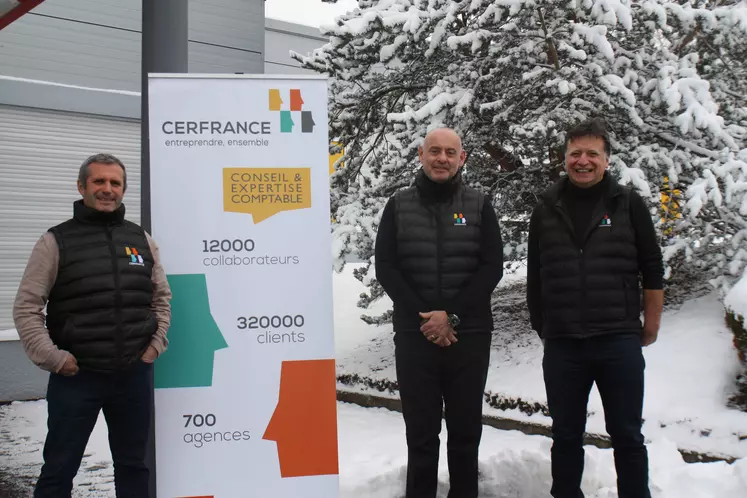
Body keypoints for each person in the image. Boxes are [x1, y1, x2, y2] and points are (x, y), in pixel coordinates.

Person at [13, 153, 172, 498]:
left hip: (133, 375)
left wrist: (154, 345)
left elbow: (161, 298)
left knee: (134, 466)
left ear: (123, 189)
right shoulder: (55, 242)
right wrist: (54, 358)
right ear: (82, 186)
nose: (107, 189)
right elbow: (26, 308)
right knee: (59, 469)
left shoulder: (141, 240)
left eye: (115, 183)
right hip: (77, 377)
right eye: (99, 181)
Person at [527, 119, 664, 498]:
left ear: (606, 160)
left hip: (617, 339)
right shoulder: (545, 209)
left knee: (627, 435)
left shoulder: (628, 204)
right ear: (564, 158)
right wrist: (545, 326)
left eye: (592, 154)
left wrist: (649, 324)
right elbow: (534, 274)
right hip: (563, 344)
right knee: (566, 435)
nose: (582, 161)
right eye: (575, 153)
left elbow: (652, 266)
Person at [374, 128, 503, 498]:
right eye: (434, 151)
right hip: (416, 339)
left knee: (465, 432)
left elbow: (492, 267)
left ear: (461, 158)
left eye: (450, 152)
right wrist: (427, 319)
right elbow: (387, 267)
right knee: (421, 433)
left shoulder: (479, 204)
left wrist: (452, 316)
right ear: (421, 155)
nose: (442, 158)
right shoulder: (398, 205)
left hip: (470, 336)